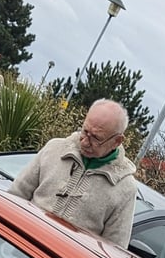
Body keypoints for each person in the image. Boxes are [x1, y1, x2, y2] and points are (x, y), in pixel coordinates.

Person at [9, 100, 138, 247]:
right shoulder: (54, 149)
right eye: (85, 131)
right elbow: (14, 198)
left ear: (117, 141)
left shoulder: (125, 188)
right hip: (14, 249)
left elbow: (113, 250)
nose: (85, 142)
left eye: (96, 138)